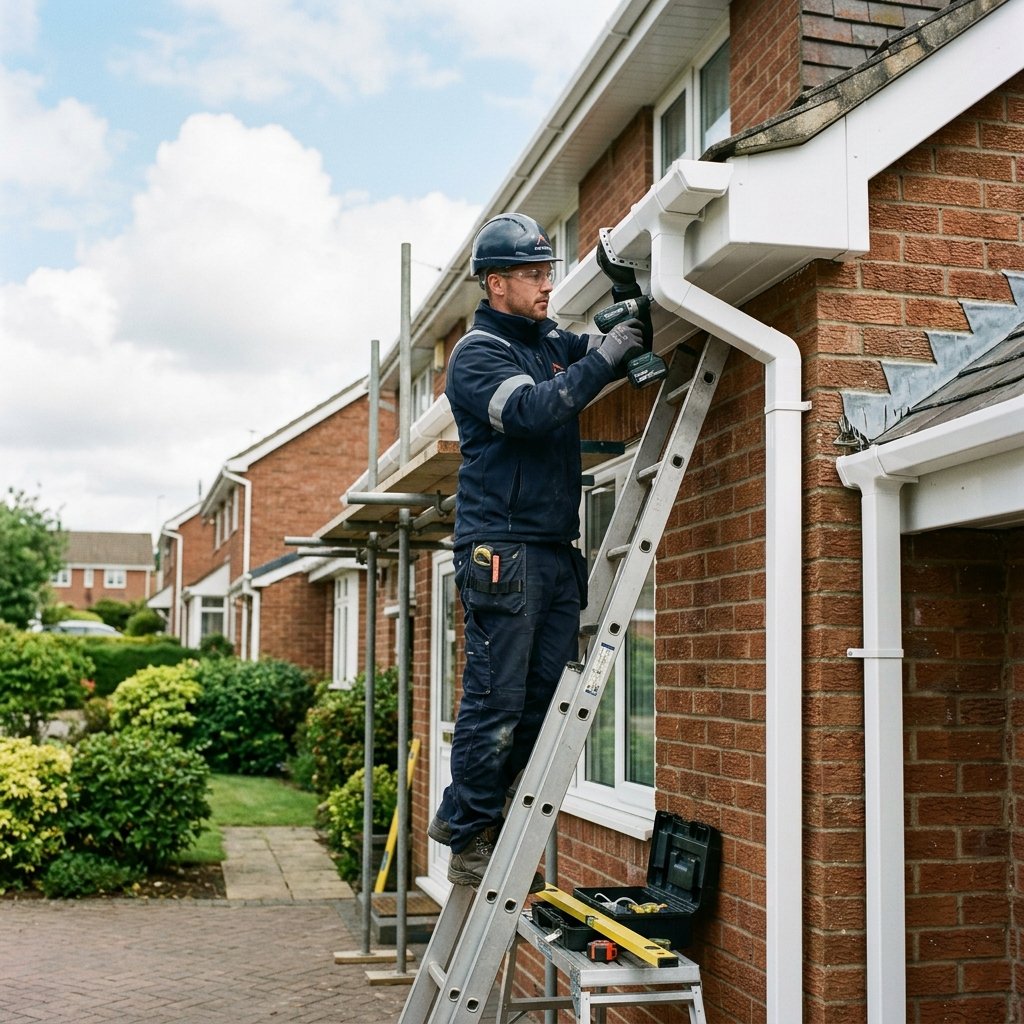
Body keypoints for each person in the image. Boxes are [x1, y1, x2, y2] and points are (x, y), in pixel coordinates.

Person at [429, 212, 644, 889]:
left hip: (552, 548)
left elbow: (584, 355)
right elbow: (532, 412)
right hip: (503, 549)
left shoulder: (547, 339)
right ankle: (465, 835)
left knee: (544, 696)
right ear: (495, 284)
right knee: (496, 697)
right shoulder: (477, 355)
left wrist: (628, 321)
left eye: (548, 272)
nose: (546, 285)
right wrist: (607, 356)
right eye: (532, 275)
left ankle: (496, 816)